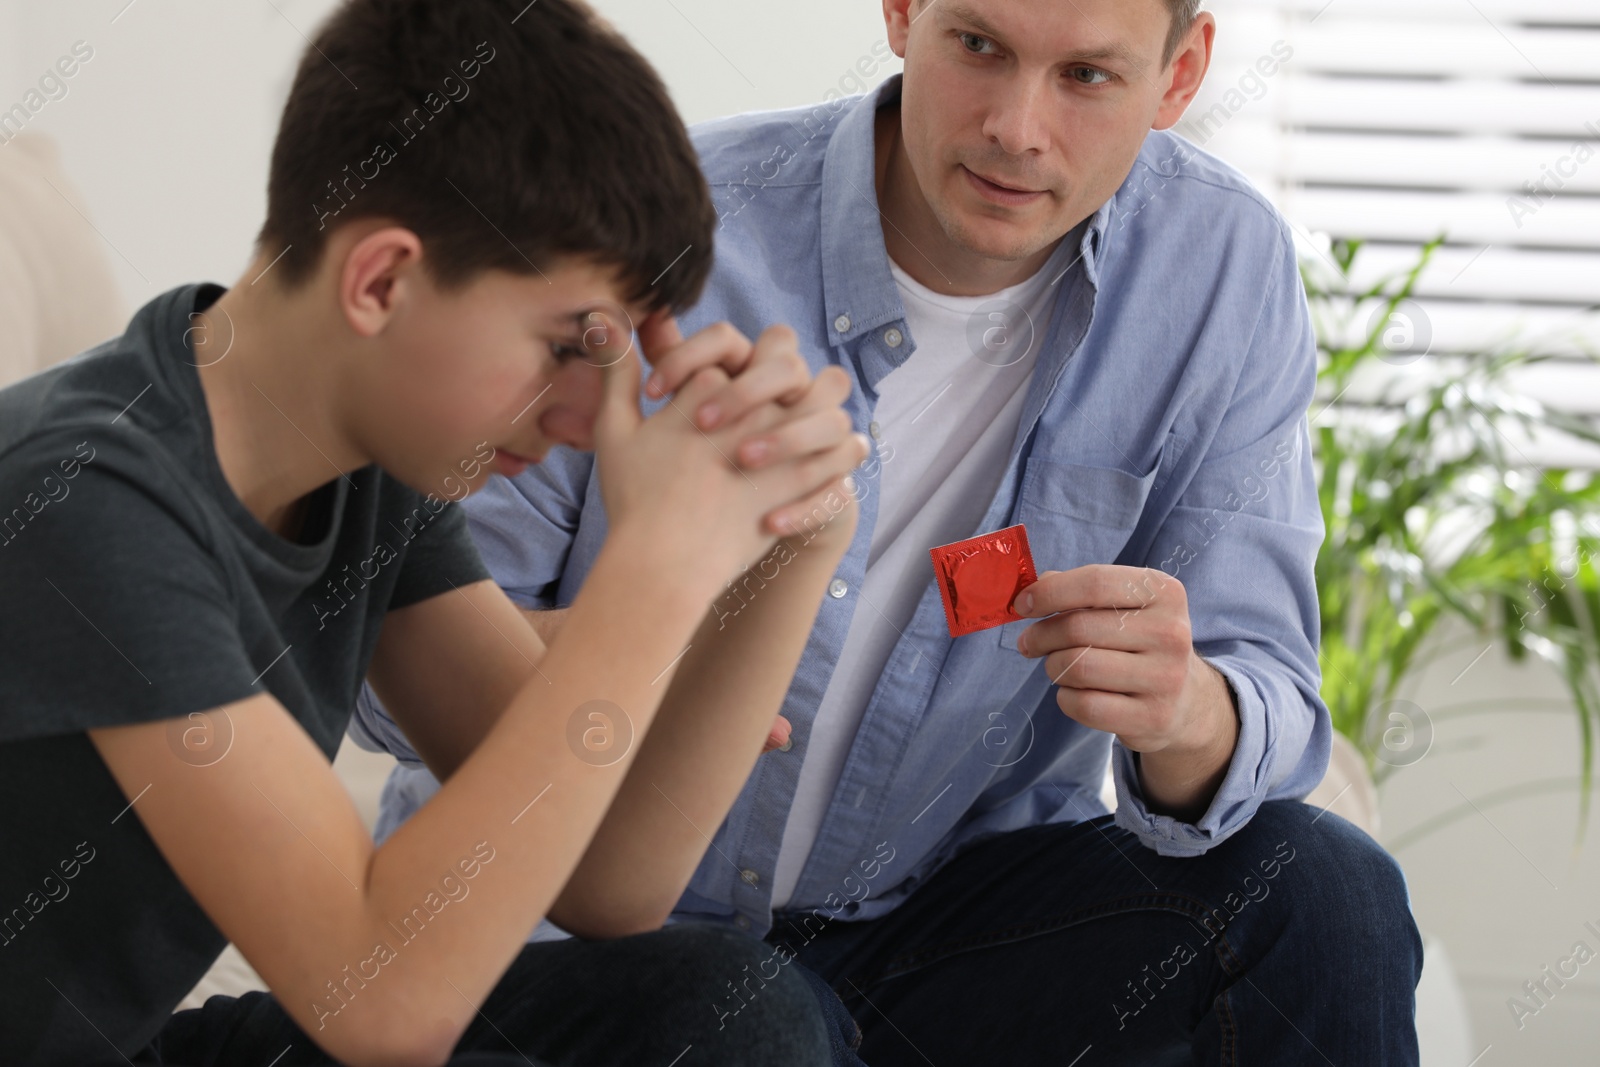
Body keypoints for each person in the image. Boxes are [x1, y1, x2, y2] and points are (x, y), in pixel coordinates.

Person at [355, 0, 1427, 1063]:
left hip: (932, 925)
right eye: (978, 46)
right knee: (757, 1010)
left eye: (1087, 77)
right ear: (903, 12)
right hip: (576, 926)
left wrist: (1188, 709)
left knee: (1328, 888)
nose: (1016, 125)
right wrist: (659, 615)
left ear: (1180, 74)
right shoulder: (660, 232)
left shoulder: (1220, 272)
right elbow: (388, 684)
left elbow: (1270, 687)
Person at [0, 0, 874, 1063]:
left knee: (723, 1006)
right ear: (382, 279)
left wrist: (799, 528)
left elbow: (608, 878)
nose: (582, 422)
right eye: (563, 344)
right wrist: (658, 562)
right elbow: (384, 1007)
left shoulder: (367, 474)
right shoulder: (85, 498)